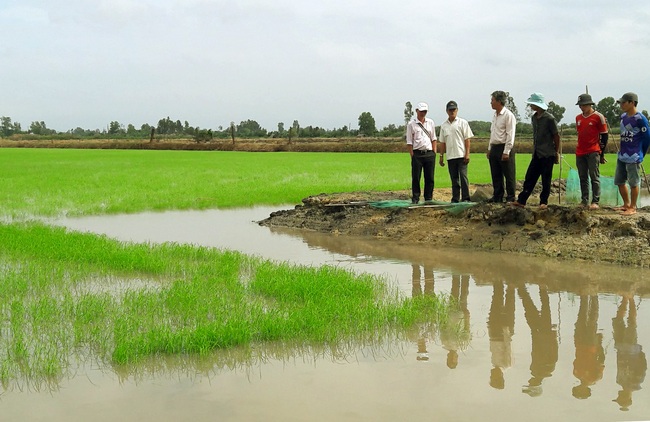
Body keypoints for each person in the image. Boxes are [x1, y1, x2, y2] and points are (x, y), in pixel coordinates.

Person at [510, 93, 559, 209]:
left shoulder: (549, 119)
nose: (531, 106)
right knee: (530, 176)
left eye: (532, 103)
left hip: (547, 153)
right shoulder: (534, 118)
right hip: (537, 153)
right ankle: (522, 200)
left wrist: (556, 152)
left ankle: (543, 202)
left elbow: (556, 136)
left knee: (546, 178)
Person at [614, 92, 650, 215]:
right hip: (622, 155)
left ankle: (633, 207)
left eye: (624, 102)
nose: (621, 105)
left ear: (632, 103)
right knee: (619, 181)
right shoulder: (623, 117)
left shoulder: (641, 119)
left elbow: (647, 138)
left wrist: (641, 153)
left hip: (633, 156)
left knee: (634, 182)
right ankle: (626, 204)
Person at [575, 93, 608, 209]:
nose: (581, 107)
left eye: (583, 105)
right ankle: (584, 201)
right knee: (582, 177)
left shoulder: (598, 117)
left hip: (593, 151)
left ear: (589, 104)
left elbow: (604, 136)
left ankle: (595, 201)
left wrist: (602, 154)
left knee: (594, 176)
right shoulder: (578, 118)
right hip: (580, 152)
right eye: (580, 105)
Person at [438, 101, 474, 203]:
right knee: (454, 179)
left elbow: (467, 139)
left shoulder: (463, 123)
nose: (452, 111)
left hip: (461, 155)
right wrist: (441, 156)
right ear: (447, 111)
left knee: (463, 178)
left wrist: (467, 153)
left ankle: (466, 198)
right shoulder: (444, 126)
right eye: (450, 110)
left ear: (457, 110)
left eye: (454, 110)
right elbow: (442, 142)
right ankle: (455, 199)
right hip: (450, 156)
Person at [486, 91, 517, 203]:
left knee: (509, 174)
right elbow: (493, 133)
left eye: (493, 100)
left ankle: (511, 197)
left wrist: (506, 151)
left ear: (499, 101)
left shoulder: (508, 115)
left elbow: (510, 134)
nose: (491, 102)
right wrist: (490, 148)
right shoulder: (495, 116)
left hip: (504, 147)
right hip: (495, 147)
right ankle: (497, 196)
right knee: (496, 173)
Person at [406, 102, 437, 204]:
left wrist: (434, 152)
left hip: (429, 153)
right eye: (421, 111)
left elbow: (434, 138)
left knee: (430, 177)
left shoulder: (430, 122)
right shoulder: (411, 124)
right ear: (416, 111)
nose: (423, 113)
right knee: (416, 177)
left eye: (425, 111)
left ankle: (428, 198)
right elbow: (409, 142)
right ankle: (415, 198)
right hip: (417, 154)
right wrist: (412, 155)